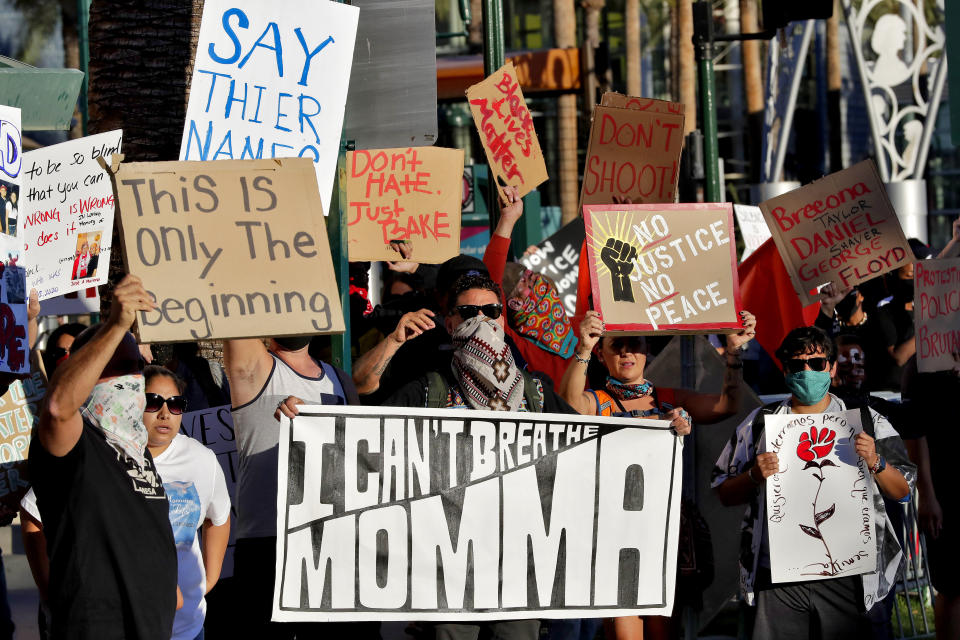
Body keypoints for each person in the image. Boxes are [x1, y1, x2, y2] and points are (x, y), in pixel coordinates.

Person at [384, 272, 657, 640]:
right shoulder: (431, 389)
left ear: (503, 318)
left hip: (521, 565)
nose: (482, 319)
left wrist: (663, 433)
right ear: (450, 323)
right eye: (468, 312)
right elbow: (368, 428)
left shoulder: (535, 392)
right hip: (449, 566)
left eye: (492, 310)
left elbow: (591, 441)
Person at [712, 326, 915, 640]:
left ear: (831, 368)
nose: (807, 371)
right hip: (777, 576)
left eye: (817, 364)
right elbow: (723, 492)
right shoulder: (759, 424)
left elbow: (903, 491)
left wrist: (876, 462)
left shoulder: (865, 420)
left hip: (849, 574)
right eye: (797, 365)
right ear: (785, 371)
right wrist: (752, 475)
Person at [21, 365, 231, 640]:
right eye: (153, 402)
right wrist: (52, 593)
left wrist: (208, 580)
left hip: (185, 628)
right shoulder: (98, 452)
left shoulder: (202, 459)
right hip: (113, 626)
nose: (165, 413)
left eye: (176, 404)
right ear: (133, 402)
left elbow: (219, 518)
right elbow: (32, 516)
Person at [29, 274, 178, 638]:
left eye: (135, 375)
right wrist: (114, 325)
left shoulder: (134, 447)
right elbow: (56, 406)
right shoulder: (75, 443)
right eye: (117, 374)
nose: (130, 387)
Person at [224, 331, 366, 638]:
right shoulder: (258, 368)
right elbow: (232, 317)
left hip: (333, 540)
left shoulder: (338, 378)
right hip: (270, 542)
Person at [482, 186, 576, 385]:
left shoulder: (583, 331)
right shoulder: (519, 348)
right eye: (523, 281)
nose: (532, 277)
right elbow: (490, 284)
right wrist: (507, 220)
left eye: (530, 273)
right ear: (515, 304)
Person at [901, 355, 960, 640]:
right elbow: (915, 430)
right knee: (951, 587)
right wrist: (927, 494)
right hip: (946, 488)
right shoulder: (923, 362)